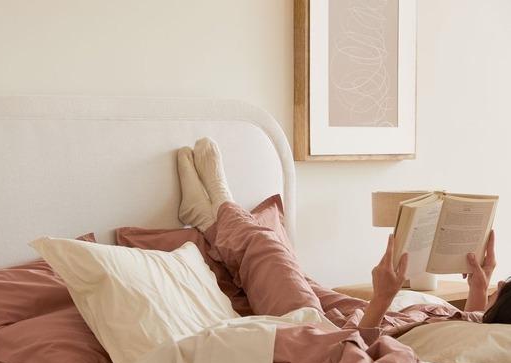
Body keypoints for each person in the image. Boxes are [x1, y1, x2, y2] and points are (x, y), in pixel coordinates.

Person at [176, 137, 509, 334]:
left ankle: (216, 209)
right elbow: (473, 329)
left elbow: (359, 358)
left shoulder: (478, 347)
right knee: (297, 274)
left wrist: (380, 300)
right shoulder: (486, 332)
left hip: (327, 334)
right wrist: (479, 287)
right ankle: (210, 217)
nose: (501, 285)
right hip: (366, 318)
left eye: (502, 288)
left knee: (270, 251)